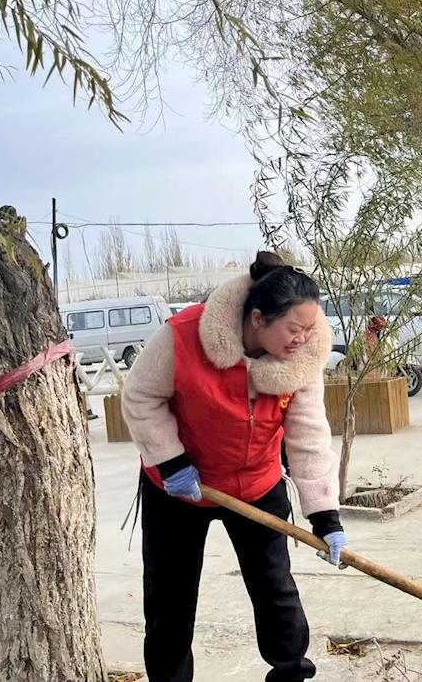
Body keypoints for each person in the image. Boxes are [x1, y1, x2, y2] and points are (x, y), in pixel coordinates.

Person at [122, 251, 344, 682]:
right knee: (170, 600)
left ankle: (290, 670)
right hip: (180, 487)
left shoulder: (304, 357)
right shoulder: (183, 336)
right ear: (258, 319)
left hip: (257, 483)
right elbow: (140, 397)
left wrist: (325, 514)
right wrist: (171, 461)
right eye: (293, 329)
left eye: (309, 328)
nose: (302, 339)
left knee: (275, 588)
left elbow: (308, 434)